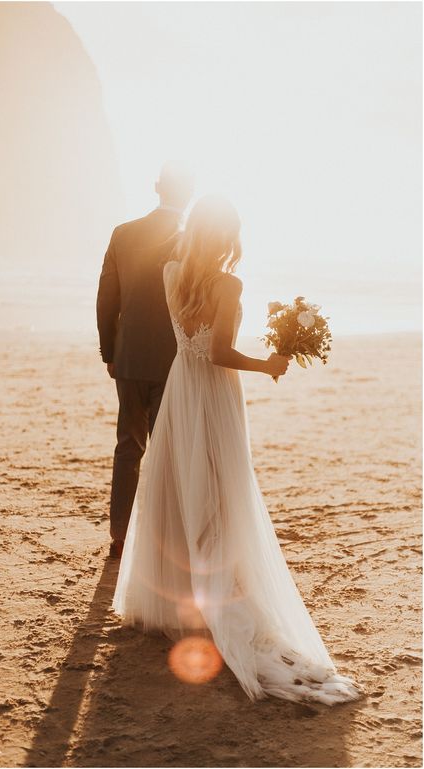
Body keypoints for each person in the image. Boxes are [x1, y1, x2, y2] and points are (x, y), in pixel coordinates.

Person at [112, 194, 366, 706]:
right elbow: (222, 352)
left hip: (181, 385)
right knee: (221, 491)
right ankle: (221, 602)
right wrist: (269, 365)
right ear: (226, 235)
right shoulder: (228, 283)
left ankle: (175, 603)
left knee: (179, 484)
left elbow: (192, 345)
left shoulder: (170, 270)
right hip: (213, 392)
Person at [96, 162, 194, 559]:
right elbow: (197, 300)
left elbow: (107, 299)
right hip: (174, 359)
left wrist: (110, 352)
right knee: (169, 448)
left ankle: (119, 534)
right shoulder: (189, 240)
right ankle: (164, 539)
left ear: (157, 189)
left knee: (128, 444)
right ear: (188, 194)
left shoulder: (123, 233)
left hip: (130, 356)